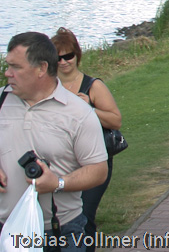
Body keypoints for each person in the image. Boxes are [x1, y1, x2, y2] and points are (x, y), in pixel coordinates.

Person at [1, 32, 108, 252]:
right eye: (7, 65)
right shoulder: (1, 101)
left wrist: (58, 183)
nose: (7, 73)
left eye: (16, 67)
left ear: (41, 68)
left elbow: (98, 170)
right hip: (5, 230)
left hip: (61, 233)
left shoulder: (79, 113)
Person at [48, 28, 123, 252]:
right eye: (58, 58)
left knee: (85, 213)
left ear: (77, 55)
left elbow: (115, 120)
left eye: (68, 56)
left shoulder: (93, 86)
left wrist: (88, 108)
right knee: (61, 216)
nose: (63, 62)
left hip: (93, 159)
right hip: (62, 160)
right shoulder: (49, 88)